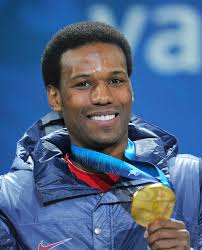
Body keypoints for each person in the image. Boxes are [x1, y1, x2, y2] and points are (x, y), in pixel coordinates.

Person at [0, 21, 201, 250]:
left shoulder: (192, 182)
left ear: (131, 89)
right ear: (55, 97)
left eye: (115, 81)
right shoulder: (10, 202)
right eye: (83, 84)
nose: (103, 97)